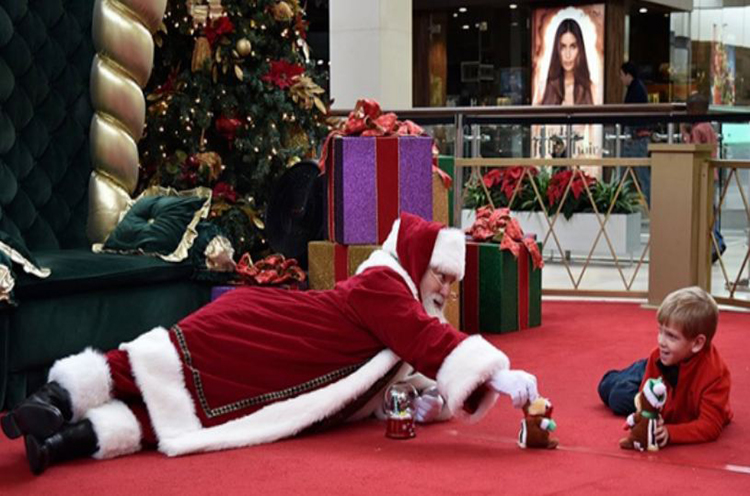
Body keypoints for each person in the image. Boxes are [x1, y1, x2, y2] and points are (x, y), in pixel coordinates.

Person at [2, 212, 539, 475]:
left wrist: (433, 404)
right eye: (440, 276)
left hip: (287, 375)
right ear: (419, 265)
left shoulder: (404, 312)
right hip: (265, 330)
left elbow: (405, 376)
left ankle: (58, 444)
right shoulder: (386, 286)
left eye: (453, 283)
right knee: (156, 364)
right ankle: (54, 399)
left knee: (196, 414)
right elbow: (428, 341)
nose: (445, 290)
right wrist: (498, 373)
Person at [598, 286, 732, 446]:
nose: (661, 341)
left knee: (618, 398)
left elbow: (710, 426)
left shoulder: (716, 373)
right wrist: (649, 416)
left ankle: (636, 372)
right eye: (660, 331)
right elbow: (645, 397)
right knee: (609, 389)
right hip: (661, 368)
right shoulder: (658, 355)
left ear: (697, 343)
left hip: (671, 388)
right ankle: (636, 369)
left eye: (671, 336)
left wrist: (670, 432)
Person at [680, 92, 726, 263]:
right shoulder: (710, 127)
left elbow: (693, 149)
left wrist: (685, 136)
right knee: (711, 210)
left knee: (705, 211)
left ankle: (716, 244)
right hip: (712, 174)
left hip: (702, 174)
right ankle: (717, 241)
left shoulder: (698, 129)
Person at [619, 61, 651, 204]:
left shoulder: (636, 89)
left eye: (621, 75)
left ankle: (651, 205)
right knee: (635, 173)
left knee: (640, 174)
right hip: (635, 137)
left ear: (628, 75)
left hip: (636, 138)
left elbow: (632, 113)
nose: (620, 79)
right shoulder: (637, 88)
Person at [541, 18, 593, 106]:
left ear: (580, 49)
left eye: (572, 47)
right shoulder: (546, 86)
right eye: (563, 47)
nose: (567, 55)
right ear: (557, 50)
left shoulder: (591, 87)